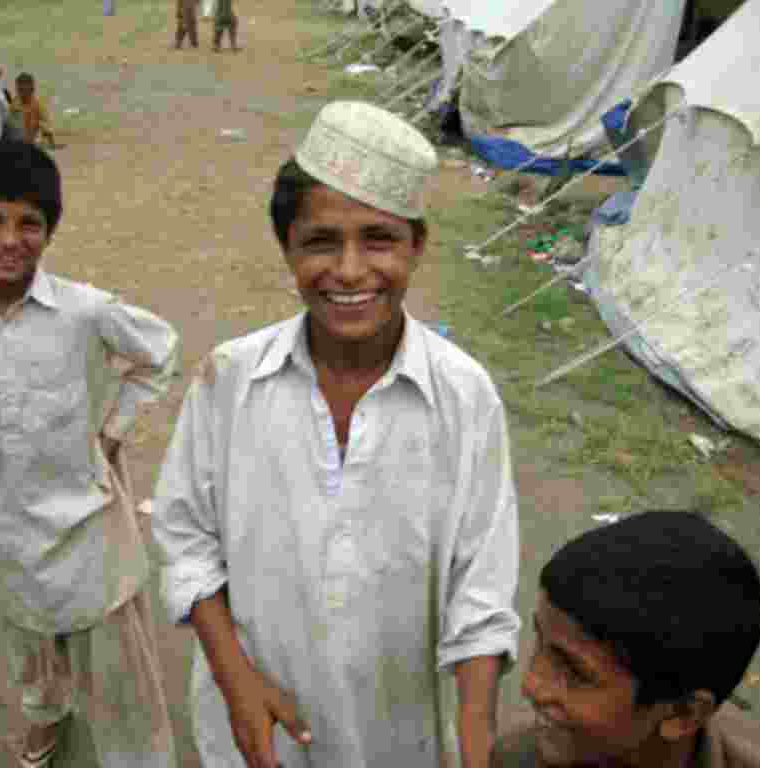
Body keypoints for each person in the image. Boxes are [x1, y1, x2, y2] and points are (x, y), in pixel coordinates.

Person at [152, 100, 521, 768]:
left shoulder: (464, 397)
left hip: (397, 737)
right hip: (259, 734)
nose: (349, 271)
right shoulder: (231, 378)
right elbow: (186, 537)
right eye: (321, 241)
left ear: (417, 245)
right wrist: (238, 683)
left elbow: (482, 590)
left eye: (378, 239)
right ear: (287, 248)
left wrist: (473, 742)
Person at [0, 140, 179, 768]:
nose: (9, 239)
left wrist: (112, 432)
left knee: (116, 664)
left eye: (29, 223)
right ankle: (45, 717)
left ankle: (138, 757)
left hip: (83, 524)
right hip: (1, 523)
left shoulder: (84, 312)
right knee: (28, 641)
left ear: (49, 231)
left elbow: (159, 352)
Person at [512, 510, 760, 768]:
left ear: (684, 713)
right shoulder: (516, 756)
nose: (530, 684)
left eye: (575, 672)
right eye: (540, 642)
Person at [10, 73, 57, 148]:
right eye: (20, 89)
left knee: (42, 125)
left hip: (32, 140)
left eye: (24, 89)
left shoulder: (37, 105)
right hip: (19, 141)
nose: (22, 92)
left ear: (32, 89)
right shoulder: (14, 106)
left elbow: (46, 125)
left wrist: (51, 142)